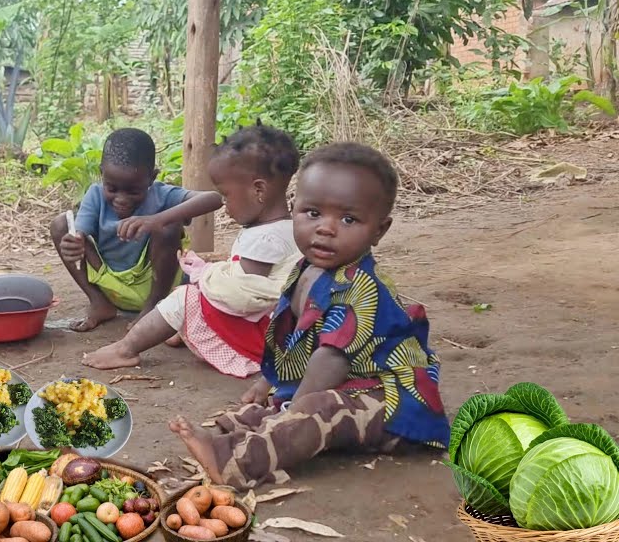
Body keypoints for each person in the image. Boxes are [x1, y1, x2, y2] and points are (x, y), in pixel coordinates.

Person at [168, 143, 449, 487]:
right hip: (351, 384)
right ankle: (237, 432)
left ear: (379, 230)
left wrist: (293, 412)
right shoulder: (305, 269)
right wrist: (268, 382)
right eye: (313, 213)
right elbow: (291, 338)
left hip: (393, 407)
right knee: (280, 402)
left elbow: (330, 361)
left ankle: (235, 463)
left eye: (348, 219)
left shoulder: (360, 289)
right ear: (294, 210)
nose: (326, 228)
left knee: (314, 409)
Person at [83, 125, 302, 373]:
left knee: (183, 298)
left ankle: (126, 349)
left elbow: (241, 298)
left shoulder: (264, 239)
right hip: (275, 329)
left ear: (258, 190)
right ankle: (183, 326)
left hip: (263, 340)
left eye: (227, 195)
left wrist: (205, 275)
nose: (225, 205)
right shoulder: (287, 229)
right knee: (195, 294)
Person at [50, 128, 221, 332]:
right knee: (60, 224)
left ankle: (152, 309)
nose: (121, 199)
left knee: (168, 226)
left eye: (133, 191)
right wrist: (75, 243)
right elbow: (79, 233)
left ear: (152, 178)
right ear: (101, 173)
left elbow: (214, 198)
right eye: (112, 189)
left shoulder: (161, 195)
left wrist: (156, 220)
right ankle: (99, 302)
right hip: (110, 282)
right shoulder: (95, 195)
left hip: (157, 284)